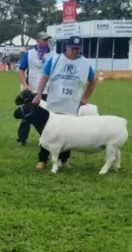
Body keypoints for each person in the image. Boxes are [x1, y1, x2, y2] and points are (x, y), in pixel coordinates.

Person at [32, 35, 97, 171]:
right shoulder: (55, 59)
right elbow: (44, 77)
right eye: (73, 48)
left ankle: (64, 160)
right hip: (54, 103)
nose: (75, 51)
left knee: (69, 133)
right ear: (66, 47)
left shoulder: (85, 63)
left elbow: (93, 80)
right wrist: (39, 93)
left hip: (71, 105)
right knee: (48, 132)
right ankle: (42, 160)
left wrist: (85, 97)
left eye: (78, 49)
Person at [17, 32, 54, 146]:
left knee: (46, 116)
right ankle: (22, 139)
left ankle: (46, 138)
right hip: (32, 90)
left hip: (48, 90)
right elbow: (21, 70)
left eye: (47, 40)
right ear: (37, 41)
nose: (45, 42)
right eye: (43, 40)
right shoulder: (29, 54)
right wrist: (25, 85)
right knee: (27, 116)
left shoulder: (54, 55)